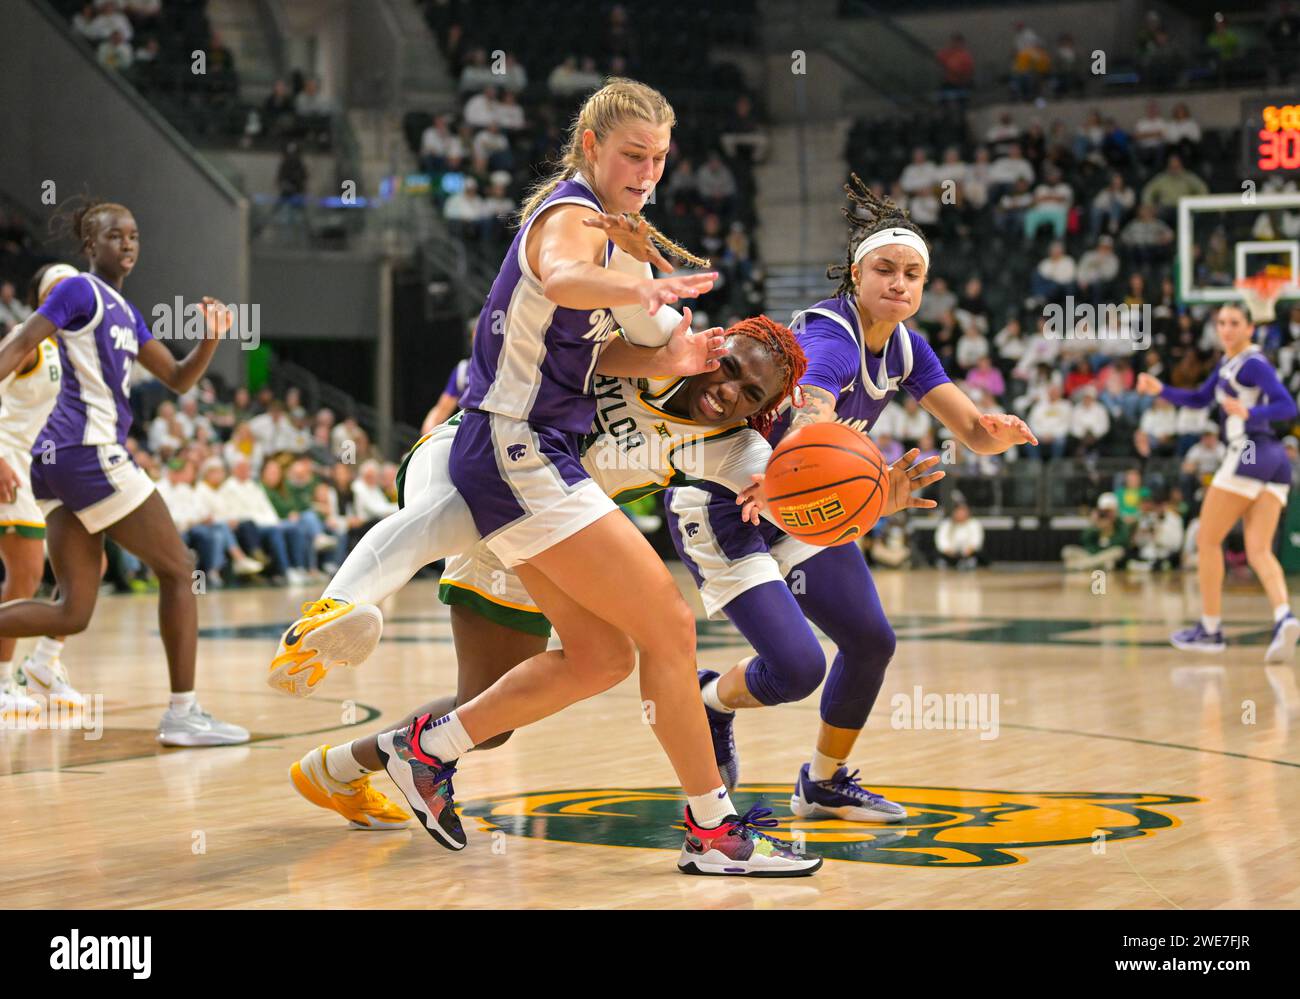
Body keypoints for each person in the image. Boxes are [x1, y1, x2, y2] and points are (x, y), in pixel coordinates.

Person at [271, 79, 817, 876]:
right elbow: (562, 277)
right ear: (589, 146)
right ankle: (713, 833)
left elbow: (632, 346)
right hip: (511, 445)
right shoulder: (570, 219)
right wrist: (636, 282)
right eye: (633, 154)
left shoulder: (623, 254)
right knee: (666, 623)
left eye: (660, 159)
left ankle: (425, 752)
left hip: (537, 459)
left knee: (601, 657)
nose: (648, 173)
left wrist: (675, 341)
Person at [287, 313, 807, 832]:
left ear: (761, 412)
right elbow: (575, 344)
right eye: (729, 368)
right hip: (486, 460)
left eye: (750, 393)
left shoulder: (737, 448)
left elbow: (801, 492)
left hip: (551, 536)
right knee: (443, 522)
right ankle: (338, 607)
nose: (728, 390)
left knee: (488, 721)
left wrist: (803, 492)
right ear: (713, 349)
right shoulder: (662, 347)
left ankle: (340, 767)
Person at [665, 176, 1035, 823]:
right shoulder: (831, 336)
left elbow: (971, 428)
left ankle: (823, 782)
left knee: (871, 640)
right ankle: (710, 699)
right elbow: (813, 410)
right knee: (797, 668)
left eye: (913, 274)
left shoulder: (906, 345)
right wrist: (798, 463)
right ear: (856, 276)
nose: (900, 283)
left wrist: (993, 434)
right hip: (730, 503)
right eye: (885, 269)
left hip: (794, 500)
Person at [0, 199, 247, 745]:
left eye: (134, 236)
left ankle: (181, 712)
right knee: (180, 569)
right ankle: (183, 712)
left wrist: (211, 336)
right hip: (83, 451)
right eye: (116, 236)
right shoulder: (78, 291)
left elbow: (180, 379)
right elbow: (18, 344)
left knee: (72, 613)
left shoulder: (126, 312)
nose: (129, 244)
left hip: (60, 462)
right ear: (91, 246)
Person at [1138, 302, 1300, 660]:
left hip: (1250, 451)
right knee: (1258, 549)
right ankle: (1284, 616)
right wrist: (1159, 389)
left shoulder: (1253, 363)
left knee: (1208, 541)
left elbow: (1288, 406)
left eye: (1234, 323)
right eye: (1221, 322)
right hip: (1275, 461)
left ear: (1250, 328)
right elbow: (1197, 397)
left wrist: (1251, 412)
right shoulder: (1229, 364)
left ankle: (1210, 629)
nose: (1226, 329)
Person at [0, 265, 76, 721]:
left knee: (87, 568)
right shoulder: (26, 341)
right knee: (25, 575)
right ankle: (2, 679)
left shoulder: (84, 352)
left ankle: (44, 663)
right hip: (12, 464)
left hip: (57, 473)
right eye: (60, 290)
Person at [1061, 492, 1129, 570]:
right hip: (1093, 554)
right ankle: (1095, 565)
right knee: (1067, 551)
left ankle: (1081, 565)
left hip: (1108, 553)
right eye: (1104, 511)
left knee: (1118, 551)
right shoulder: (1096, 522)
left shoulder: (1120, 523)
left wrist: (1110, 527)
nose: (1106, 514)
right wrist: (1095, 526)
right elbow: (1084, 539)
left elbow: (1124, 541)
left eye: (1109, 511)